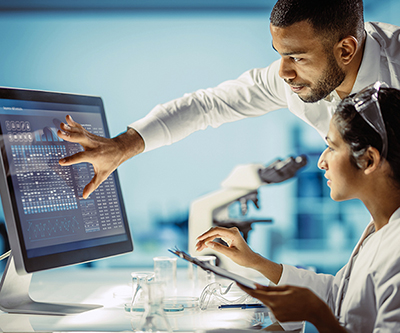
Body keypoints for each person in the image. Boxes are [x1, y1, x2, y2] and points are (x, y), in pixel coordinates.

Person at [57, 0, 400, 199]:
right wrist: (123, 145)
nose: (283, 72)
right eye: (279, 54)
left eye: (296, 57)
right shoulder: (290, 79)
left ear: (345, 50)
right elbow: (208, 105)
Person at [196, 84, 400, 332]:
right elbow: (339, 295)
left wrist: (315, 314)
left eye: (332, 147)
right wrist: (255, 262)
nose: (322, 161)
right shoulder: (381, 229)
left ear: (368, 160)